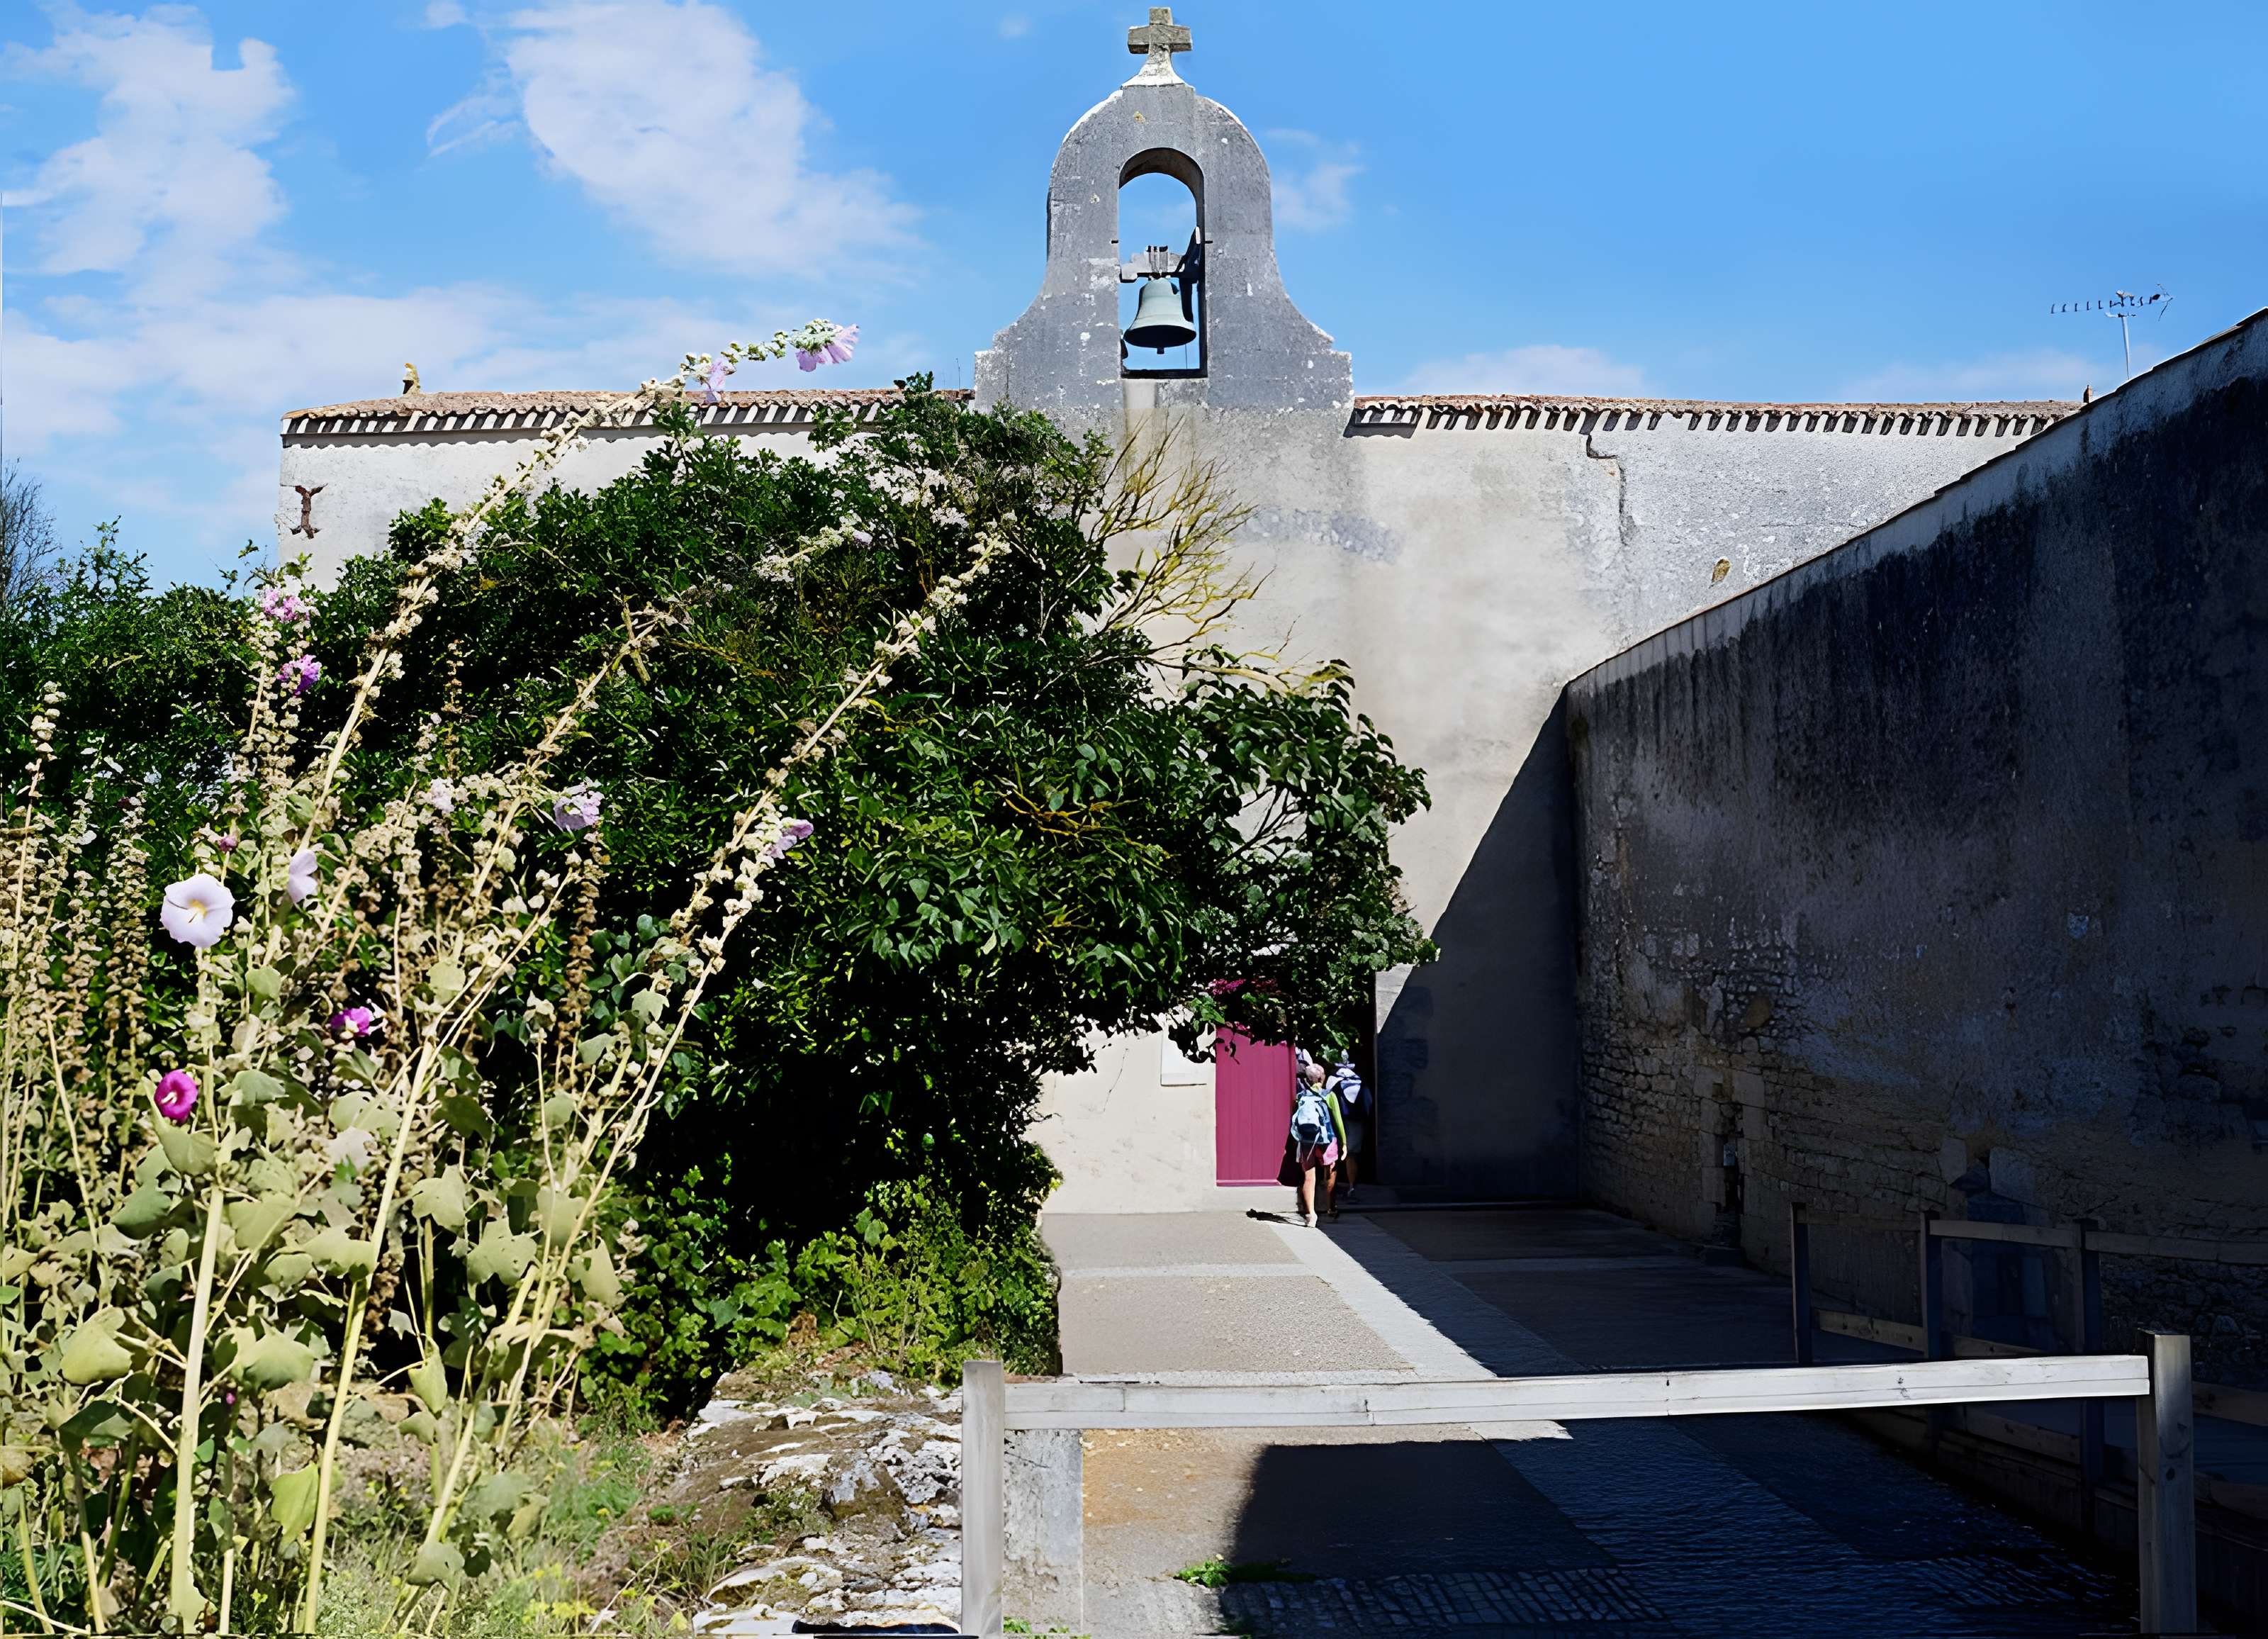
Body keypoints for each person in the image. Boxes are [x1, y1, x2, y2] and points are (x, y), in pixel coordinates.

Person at [1287, 1057, 1345, 1228]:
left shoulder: (1300, 1097)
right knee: (1330, 1173)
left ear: (1307, 1080)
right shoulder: (1330, 1096)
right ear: (1322, 1078)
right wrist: (1344, 1143)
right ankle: (1330, 1208)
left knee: (1309, 1177)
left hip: (1306, 1141)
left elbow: (1295, 1121)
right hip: (1327, 1139)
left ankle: (1311, 1215)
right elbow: (1338, 1121)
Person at [1327, 1058, 1369, 1205]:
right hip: (1357, 1122)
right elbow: (1368, 1104)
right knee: (1352, 1155)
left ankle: (1331, 1188)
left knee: (1333, 1154)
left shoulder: (1334, 1081)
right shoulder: (1360, 1082)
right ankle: (1351, 1187)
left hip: (1338, 1121)